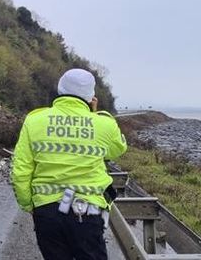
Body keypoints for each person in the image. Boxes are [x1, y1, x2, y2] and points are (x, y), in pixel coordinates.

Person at [11, 68, 127, 260]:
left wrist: (28, 204)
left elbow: (20, 169)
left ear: (60, 89)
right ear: (91, 96)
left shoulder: (34, 120)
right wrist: (95, 114)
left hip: (47, 211)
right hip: (87, 210)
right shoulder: (103, 124)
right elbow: (117, 149)